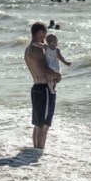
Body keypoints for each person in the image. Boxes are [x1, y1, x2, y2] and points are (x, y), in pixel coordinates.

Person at [24, 22, 62, 150]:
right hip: (44, 89)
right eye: (45, 33)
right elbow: (45, 70)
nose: (45, 37)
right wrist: (58, 75)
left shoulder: (28, 49)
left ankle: (35, 152)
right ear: (40, 32)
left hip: (36, 88)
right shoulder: (38, 50)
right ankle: (39, 155)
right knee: (44, 125)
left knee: (37, 124)